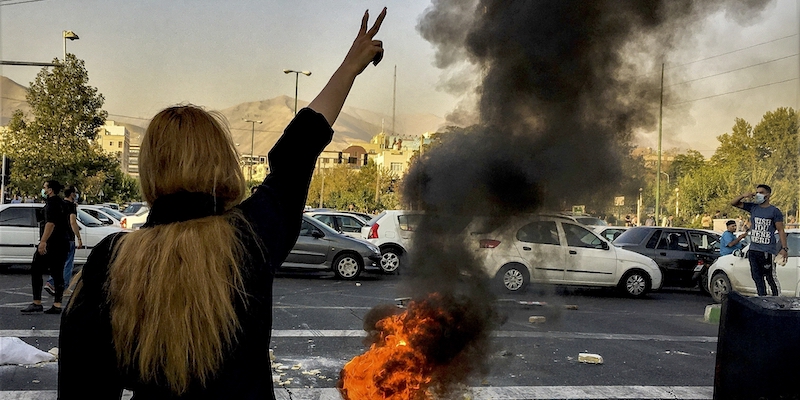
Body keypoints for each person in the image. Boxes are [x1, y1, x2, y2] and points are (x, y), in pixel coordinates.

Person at [59, 8, 386, 399]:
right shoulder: (251, 235)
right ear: (222, 161)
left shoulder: (110, 262)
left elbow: (82, 387)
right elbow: (297, 151)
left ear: (149, 169)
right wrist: (349, 66)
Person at [21, 180, 70, 314]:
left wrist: (43, 242)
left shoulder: (52, 204)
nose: (43, 190)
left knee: (36, 269)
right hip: (62, 242)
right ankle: (57, 305)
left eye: (45, 187)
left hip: (52, 243)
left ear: (50, 190)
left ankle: (37, 302)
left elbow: (50, 224)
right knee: (58, 273)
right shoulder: (62, 203)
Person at [731, 184, 788, 296]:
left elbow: (781, 230)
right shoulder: (753, 207)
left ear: (768, 195)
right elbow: (733, 203)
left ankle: (777, 299)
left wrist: (784, 248)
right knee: (756, 276)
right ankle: (762, 298)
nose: (758, 195)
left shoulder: (774, 211)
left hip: (767, 250)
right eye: (756, 192)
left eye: (761, 192)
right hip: (753, 249)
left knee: (770, 276)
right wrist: (744, 195)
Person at [44, 186, 82, 296]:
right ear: (71, 194)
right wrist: (78, 237)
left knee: (59, 263)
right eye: (75, 192)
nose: (76, 194)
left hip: (57, 237)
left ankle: (52, 282)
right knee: (68, 264)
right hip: (68, 238)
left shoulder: (60, 204)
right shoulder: (71, 206)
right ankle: (62, 287)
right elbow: (73, 222)